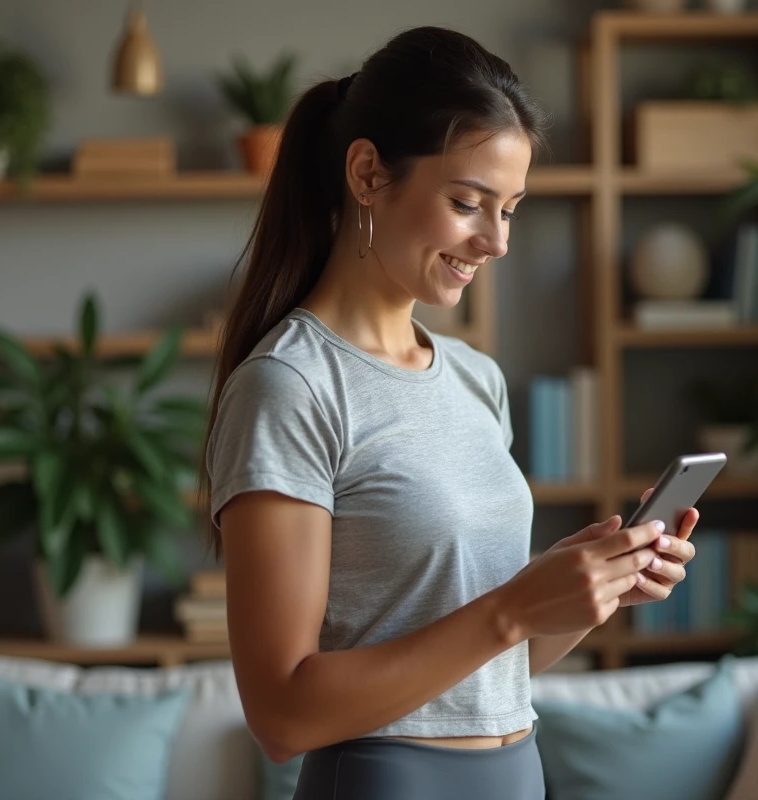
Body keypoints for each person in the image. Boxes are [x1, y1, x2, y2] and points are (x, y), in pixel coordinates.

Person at [200, 24, 699, 800]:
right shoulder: (291, 387)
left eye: (512, 210)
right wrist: (511, 609)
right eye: (468, 202)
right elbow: (282, 715)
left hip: (515, 771)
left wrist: (588, 596)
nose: (495, 241)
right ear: (367, 173)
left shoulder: (475, 378)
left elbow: (489, 663)